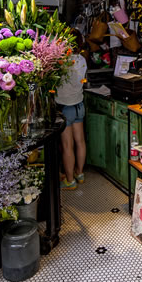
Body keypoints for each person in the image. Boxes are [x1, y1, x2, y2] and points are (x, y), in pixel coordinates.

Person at [56, 46, 88, 191]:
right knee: (80, 141)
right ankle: (79, 173)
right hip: (79, 106)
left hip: (65, 107)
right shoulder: (81, 59)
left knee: (68, 146)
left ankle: (70, 181)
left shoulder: (60, 62)